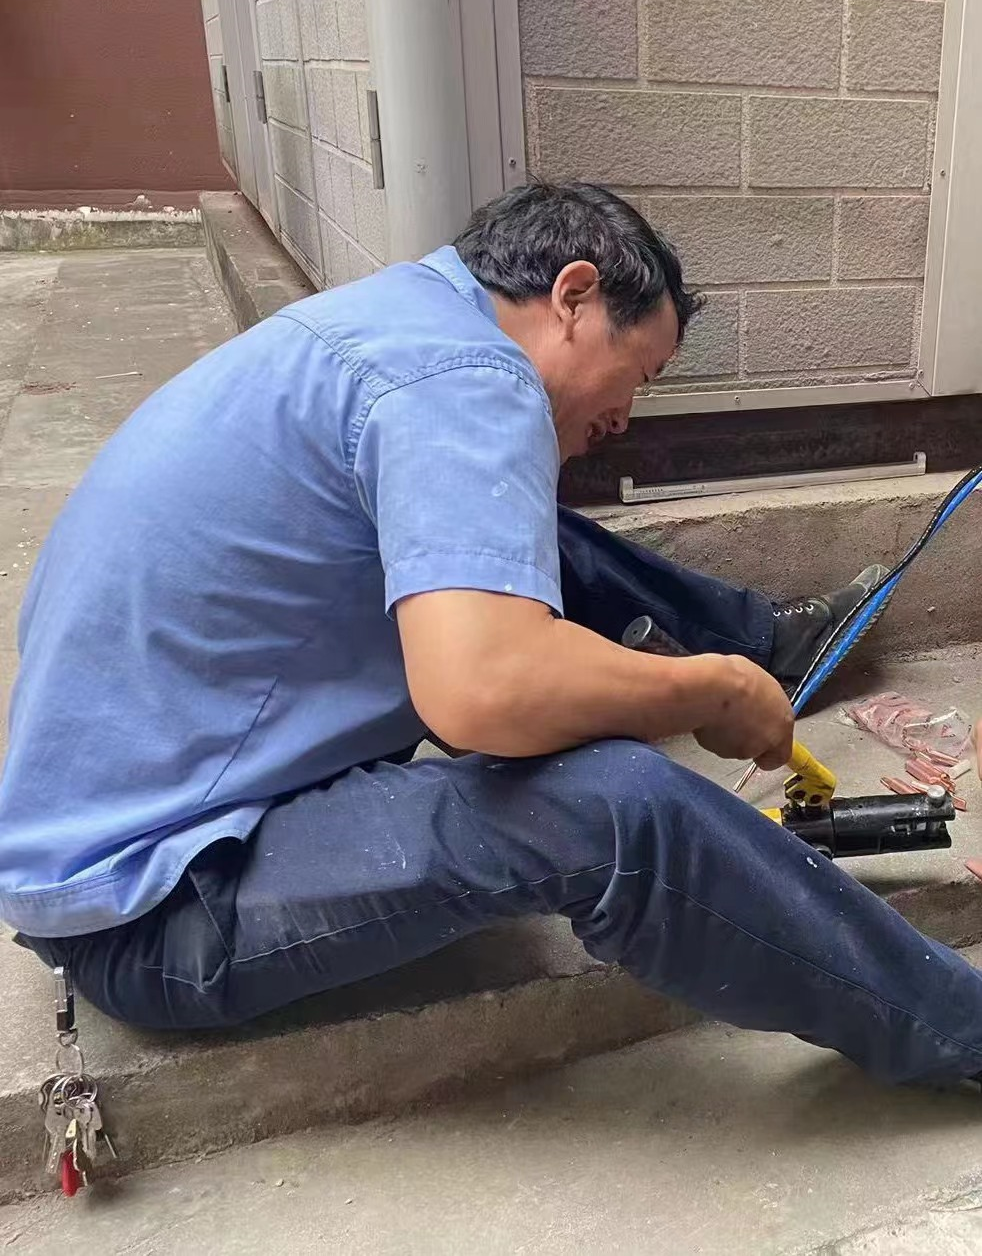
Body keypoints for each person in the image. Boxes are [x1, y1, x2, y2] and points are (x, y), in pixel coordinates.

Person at [3, 182, 981, 1088]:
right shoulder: (467, 374)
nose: (625, 416)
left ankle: (768, 643)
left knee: (529, 546)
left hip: (140, 815)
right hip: (161, 900)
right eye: (637, 374)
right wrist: (709, 690)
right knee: (621, 806)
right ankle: (959, 1030)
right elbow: (483, 693)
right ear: (574, 296)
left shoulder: (397, 322)